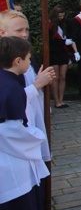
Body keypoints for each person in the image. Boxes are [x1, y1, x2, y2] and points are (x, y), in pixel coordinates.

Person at [0, 36, 50, 210]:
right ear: (17, 61)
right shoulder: (11, 89)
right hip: (12, 166)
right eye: (29, 58)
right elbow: (10, 131)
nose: (31, 63)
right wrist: (37, 137)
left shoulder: (9, 82)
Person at [0, 10, 55, 171]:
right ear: (2, 33)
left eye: (27, 30)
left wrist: (44, 80)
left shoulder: (26, 55)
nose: (24, 34)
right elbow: (8, 97)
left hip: (34, 114)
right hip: (17, 131)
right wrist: (37, 85)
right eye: (19, 30)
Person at [48, 5, 78, 108]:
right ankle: (56, 101)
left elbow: (70, 37)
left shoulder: (65, 24)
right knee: (55, 78)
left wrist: (75, 51)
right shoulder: (50, 25)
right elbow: (50, 41)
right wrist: (63, 42)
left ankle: (61, 99)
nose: (61, 18)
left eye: (62, 16)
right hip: (54, 53)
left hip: (64, 52)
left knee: (63, 77)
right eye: (59, 16)